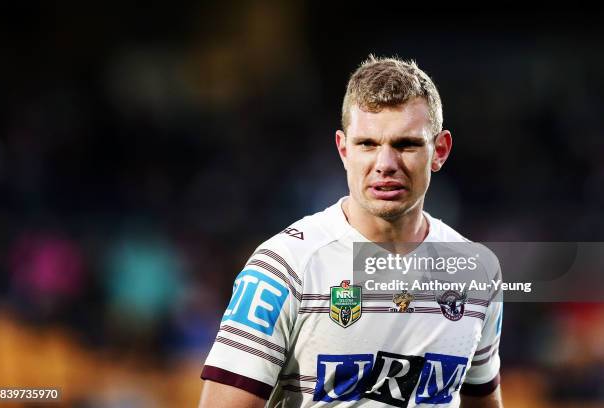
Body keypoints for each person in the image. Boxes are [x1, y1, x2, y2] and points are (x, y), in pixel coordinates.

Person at [198, 55, 503, 407]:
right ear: (344, 150)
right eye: (367, 144)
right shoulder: (283, 267)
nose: (385, 165)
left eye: (406, 144)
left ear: (440, 151)